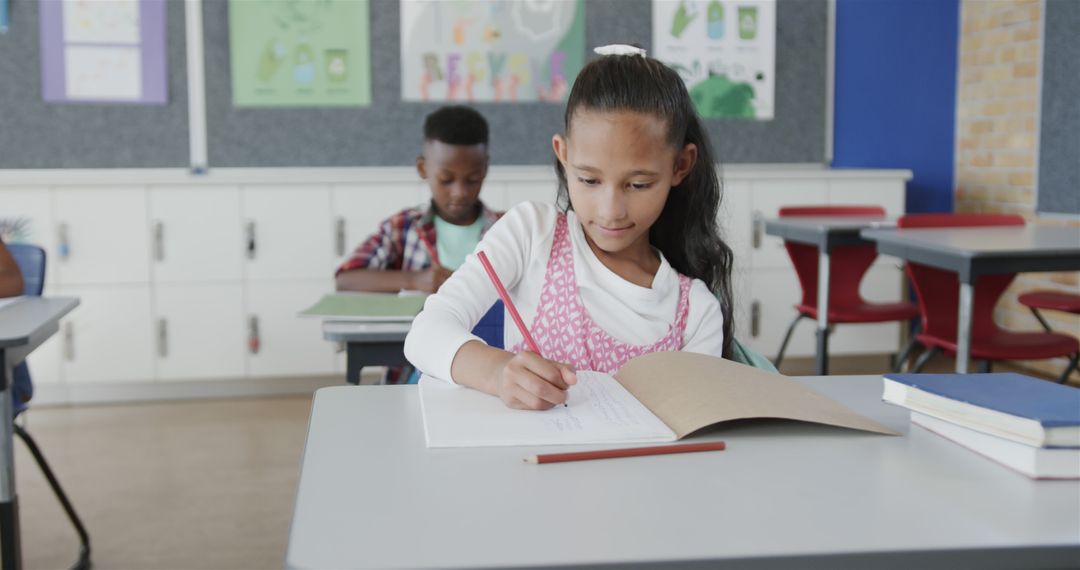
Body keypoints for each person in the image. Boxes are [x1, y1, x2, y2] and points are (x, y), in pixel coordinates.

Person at [404, 45, 735, 411]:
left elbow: (695, 424)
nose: (610, 211)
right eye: (589, 180)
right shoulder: (533, 233)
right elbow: (425, 334)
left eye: (638, 185)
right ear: (564, 156)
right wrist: (498, 373)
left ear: (680, 166)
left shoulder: (696, 311)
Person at [335, 105, 502, 293]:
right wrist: (413, 280)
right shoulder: (403, 227)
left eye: (472, 179)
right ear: (423, 168)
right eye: (446, 180)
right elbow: (345, 279)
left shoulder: (507, 228)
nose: (459, 192)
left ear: (485, 169)